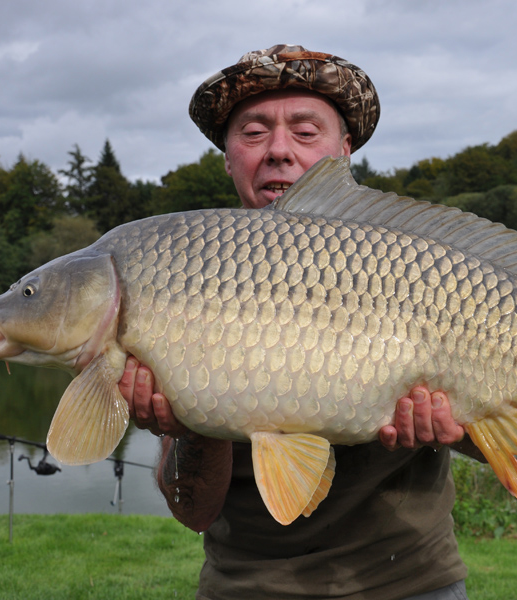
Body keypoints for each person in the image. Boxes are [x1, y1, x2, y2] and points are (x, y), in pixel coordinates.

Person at [118, 45, 473, 600]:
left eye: (305, 131)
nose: (279, 150)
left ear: (344, 152)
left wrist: (455, 424)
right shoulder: (177, 274)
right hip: (244, 587)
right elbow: (192, 509)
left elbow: (509, 436)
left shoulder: (413, 263)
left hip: (411, 583)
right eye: (254, 132)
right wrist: (189, 428)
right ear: (228, 157)